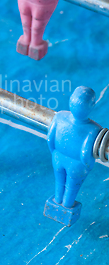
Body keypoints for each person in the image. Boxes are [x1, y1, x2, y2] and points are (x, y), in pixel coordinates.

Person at [45, 86, 101, 226]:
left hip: (58, 158)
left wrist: (55, 154)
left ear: (71, 100)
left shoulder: (59, 116)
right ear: (92, 106)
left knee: (59, 182)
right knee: (71, 187)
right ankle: (67, 207)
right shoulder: (94, 129)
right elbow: (85, 153)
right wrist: (88, 166)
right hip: (76, 165)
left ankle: (57, 201)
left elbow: (50, 139)